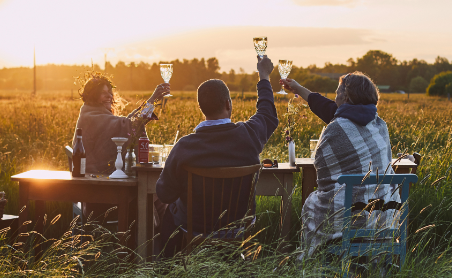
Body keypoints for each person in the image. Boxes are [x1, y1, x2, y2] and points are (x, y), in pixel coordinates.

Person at [154, 54, 279, 256]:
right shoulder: (249, 135)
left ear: (201, 108)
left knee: (170, 211)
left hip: (194, 228)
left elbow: (165, 194)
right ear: (228, 104)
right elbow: (267, 114)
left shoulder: (184, 146)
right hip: (238, 228)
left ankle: (169, 267)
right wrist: (263, 76)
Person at [294, 71, 395, 263]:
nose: (335, 98)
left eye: (336, 92)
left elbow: (323, 173)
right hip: (381, 216)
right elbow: (330, 109)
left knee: (313, 200)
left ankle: (315, 263)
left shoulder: (337, 128)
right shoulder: (379, 124)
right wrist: (299, 89)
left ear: (346, 96)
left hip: (349, 216)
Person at [72, 75, 171, 175]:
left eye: (110, 92)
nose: (109, 96)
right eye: (103, 93)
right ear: (93, 96)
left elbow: (128, 123)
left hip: (93, 174)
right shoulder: (91, 117)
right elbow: (130, 124)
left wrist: (151, 102)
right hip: (96, 175)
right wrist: (153, 100)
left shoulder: (91, 113)